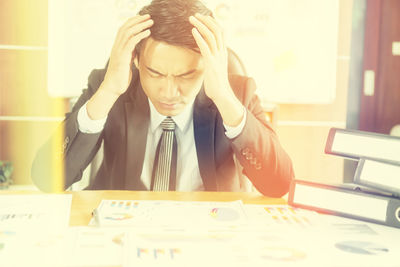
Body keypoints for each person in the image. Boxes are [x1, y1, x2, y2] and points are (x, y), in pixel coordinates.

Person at [32, 0, 294, 196]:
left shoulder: (236, 93)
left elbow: (278, 184)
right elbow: (46, 179)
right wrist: (109, 91)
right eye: (155, 73)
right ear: (135, 60)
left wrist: (224, 98)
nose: (169, 93)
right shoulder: (110, 85)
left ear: (211, 65)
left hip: (209, 230)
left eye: (187, 75)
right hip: (122, 226)